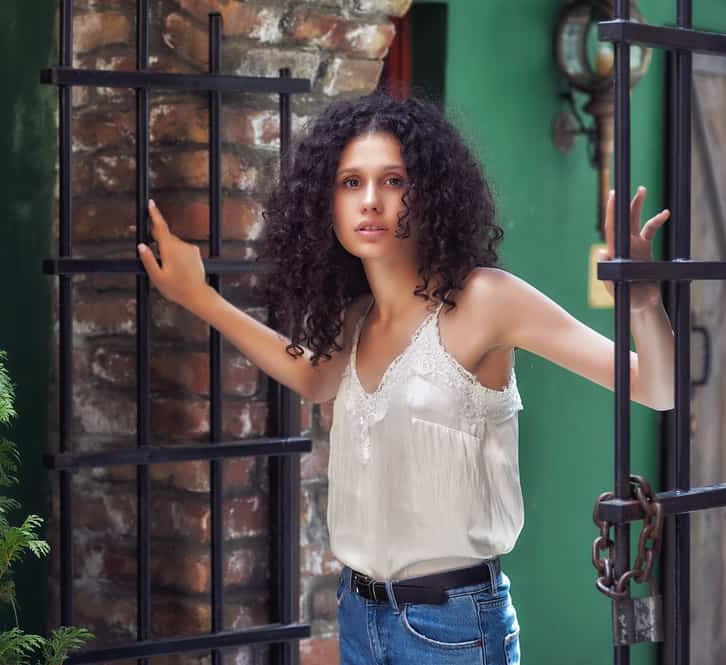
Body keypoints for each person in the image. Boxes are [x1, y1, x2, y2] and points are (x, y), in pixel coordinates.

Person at [132, 93, 675, 665]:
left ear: (430, 191)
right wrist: (199, 297)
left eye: (392, 180)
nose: (370, 201)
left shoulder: (485, 300)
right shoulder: (354, 319)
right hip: (359, 615)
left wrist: (641, 303)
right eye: (350, 183)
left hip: (454, 625)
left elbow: (657, 390)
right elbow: (310, 377)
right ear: (326, 203)